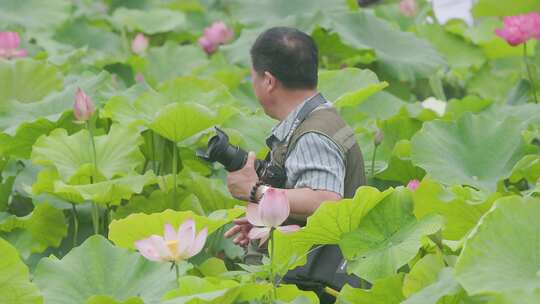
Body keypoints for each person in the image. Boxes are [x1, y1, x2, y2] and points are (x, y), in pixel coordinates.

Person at [223, 26, 366, 302]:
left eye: (253, 75)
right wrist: (267, 221)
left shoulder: (313, 133)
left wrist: (255, 191)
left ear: (268, 81)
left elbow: (326, 201)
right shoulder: (324, 118)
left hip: (317, 287)